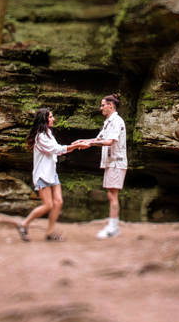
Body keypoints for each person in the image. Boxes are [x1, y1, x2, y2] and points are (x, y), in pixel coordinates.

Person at [16, 107, 78, 242]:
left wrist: (75, 145)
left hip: (52, 173)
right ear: (44, 120)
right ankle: (23, 224)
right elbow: (54, 149)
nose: (53, 119)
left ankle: (49, 233)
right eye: (51, 117)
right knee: (48, 205)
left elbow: (58, 151)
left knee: (59, 202)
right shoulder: (40, 137)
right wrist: (74, 146)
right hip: (42, 175)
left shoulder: (49, 133)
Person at [72, 94, 127, 239]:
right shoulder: (108, 122)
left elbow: (109, 141)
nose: (100, 108)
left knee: (112, 194)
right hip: (111, 162)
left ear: (111, 105)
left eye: (103, 105)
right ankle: (112, 225)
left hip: (116, 161)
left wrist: (89, 144)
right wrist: (82, 141)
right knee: (111, 194)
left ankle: (113, 227)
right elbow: (99, 139)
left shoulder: (116, 121)